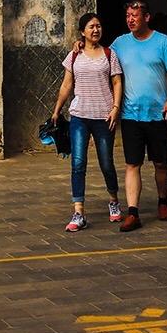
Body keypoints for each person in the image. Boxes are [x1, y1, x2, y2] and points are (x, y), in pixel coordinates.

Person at [111, 0, 167, 231]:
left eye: (135, 15)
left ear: (146, 17)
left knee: (160, 163)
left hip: (157, 113)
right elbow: (102, 58)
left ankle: (163, 201)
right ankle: (133, 212)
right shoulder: (120, 44)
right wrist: (80, 44)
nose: (131, 19)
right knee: (132, 163)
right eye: (128, 15)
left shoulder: (162, 42)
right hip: (131, 115)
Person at [49, 12, 123, 231]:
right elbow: (66, 85)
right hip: (79, 116)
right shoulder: (74, 56)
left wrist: (115, 108)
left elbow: (117, 81)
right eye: (91, 27)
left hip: (103, 116)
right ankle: (78, 211)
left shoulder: (110, 54)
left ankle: (114, 201)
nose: (95, 30)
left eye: (98, 26)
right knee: (78, 163)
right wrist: (57, 110)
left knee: (106, 163)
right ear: (82, 31)